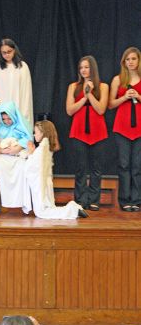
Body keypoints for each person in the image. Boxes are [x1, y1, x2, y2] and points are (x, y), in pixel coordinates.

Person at [66, 55, 109, 211]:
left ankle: (93, 200)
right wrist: (84, 97)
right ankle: (80, 200)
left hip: (98, 131)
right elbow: (70, 110)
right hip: (78, 131)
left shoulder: (103, 86)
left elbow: (101, 109)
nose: (83, 70)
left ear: (93, 68)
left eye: (86, 67)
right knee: (80, 168)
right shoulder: (73, 86)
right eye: (81, 67)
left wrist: (90, 93)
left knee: (96, 169)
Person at [26, 120, 88, 219]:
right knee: (48, 208)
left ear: (43, 133)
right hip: (45, 183)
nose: (34, 135)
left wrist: (30, 154)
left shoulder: (41, 150)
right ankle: (73, 208)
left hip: (41, 185)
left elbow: (31, 168)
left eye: (36, 132)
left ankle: (72, 209)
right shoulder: (45, 148)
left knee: (42, 212)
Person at [108, 46, 141, 212]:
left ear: (138, 60)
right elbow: (111, 104)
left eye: (133, 59)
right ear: (124, 62)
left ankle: (136, 200)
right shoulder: (118, 79)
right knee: (124, 165)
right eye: (127, 59)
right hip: (122, 129)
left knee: (137, 166)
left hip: (139, 130)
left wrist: (138, 96)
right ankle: (125, 200)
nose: (130, 62)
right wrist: (124, 97)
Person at [0, 101, 33, 213]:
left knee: (22, 168)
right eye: (3, 119)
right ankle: (6, 201)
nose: (6, 121)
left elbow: (28, 139)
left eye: (9, 118)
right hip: (2, 156)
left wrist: (18, 147)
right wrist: (0, 150)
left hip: (17, 155)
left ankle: (22, 201)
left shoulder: (22, 126)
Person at [0, 38, 34, 127]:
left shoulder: (23, 67)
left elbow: (26, 92)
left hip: (19, 108)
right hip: (1, 111)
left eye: (9, 51)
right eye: (4, 53)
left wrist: (24, 113)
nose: (7, 55)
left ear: (14, 50)